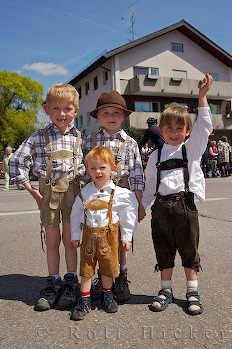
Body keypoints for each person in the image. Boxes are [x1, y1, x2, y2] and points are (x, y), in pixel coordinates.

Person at [140, 73, 213, 315]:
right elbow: (150, 185)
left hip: (185, 207)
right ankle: (166, 290)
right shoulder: (155, 155)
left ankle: (192, 291)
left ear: (187, 131)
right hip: (160, 209)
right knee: (163, 249)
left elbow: (204, 127)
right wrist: (142, 205)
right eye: (169, 128)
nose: (174, 132)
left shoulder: (191, 150)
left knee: (189, 249)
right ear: (161, 130)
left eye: (179, 128)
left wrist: (202, 97)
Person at [9, 83, 84, 311]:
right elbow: (16, 161)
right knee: (52, 240)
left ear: (76, 111)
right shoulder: (38, 137)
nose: (62, 114)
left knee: (71, 240)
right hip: (47, 193)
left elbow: (86, 168)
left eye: (67, 109)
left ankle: (71, 281)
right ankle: (53, 280)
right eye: (56, 108)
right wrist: (32, 191)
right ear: (47, 109)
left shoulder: (79, 137)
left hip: (73, 193)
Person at [83, 90, 144, 303]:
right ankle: (102, 278)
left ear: (123, 116)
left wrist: (139, 203)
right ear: (98, 117)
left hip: (122, 198)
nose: (111, 117)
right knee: (99, 237)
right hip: (98, 198)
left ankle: (121, 277)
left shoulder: (131, 143)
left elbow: (137, 175)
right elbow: (84, 173)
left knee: (120, 240)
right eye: (106, 113)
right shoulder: (90, 140)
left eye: (116, 113)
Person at [70, 146, 138, 320]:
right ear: (87, 170)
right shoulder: (85, 192)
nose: (98, 172)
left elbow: (128, 217)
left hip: (110, 237)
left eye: (102, 167)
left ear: (112, 168)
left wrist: (127, 237)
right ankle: (84, 299)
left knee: (107, 268)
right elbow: (76, 214)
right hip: (88, 238)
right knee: (86, 268)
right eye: (93, 168)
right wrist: (75, 235)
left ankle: (108, 294)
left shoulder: (121, 194)